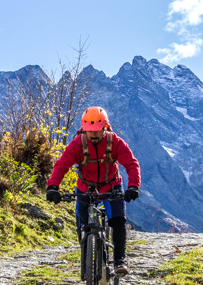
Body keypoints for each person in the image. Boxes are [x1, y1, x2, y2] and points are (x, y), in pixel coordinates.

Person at [46, 106, 141, 276]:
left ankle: (120, 260)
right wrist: (53, 186)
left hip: (111, 187)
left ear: (105, 127)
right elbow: (61, 165)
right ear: (84, 129)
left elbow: (131, 164)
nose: (94, 135)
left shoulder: (115, 142)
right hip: (85, 188)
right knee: (83, 226)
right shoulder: (78, 144)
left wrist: (133, 186)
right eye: (90, 131)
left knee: (118, 221)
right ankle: (86, 262)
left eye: (97, 131)